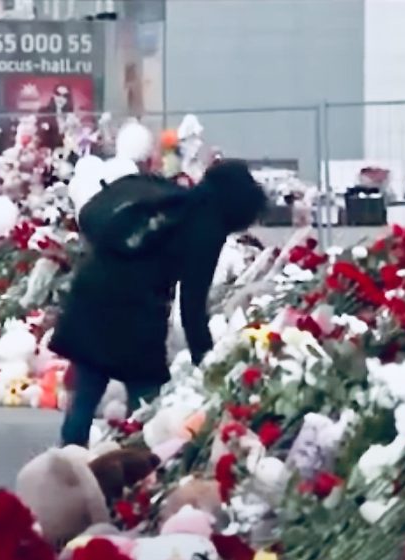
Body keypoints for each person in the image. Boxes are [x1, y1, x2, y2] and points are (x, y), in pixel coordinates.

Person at [49, 160, 269, 447]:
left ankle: (68, 461)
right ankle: (137, 459)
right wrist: (205, 362)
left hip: (91, 295)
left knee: (87, 391)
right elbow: (192, 303)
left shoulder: (169, 201)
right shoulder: (206, 226)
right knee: (146, 404)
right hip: (135, 315)